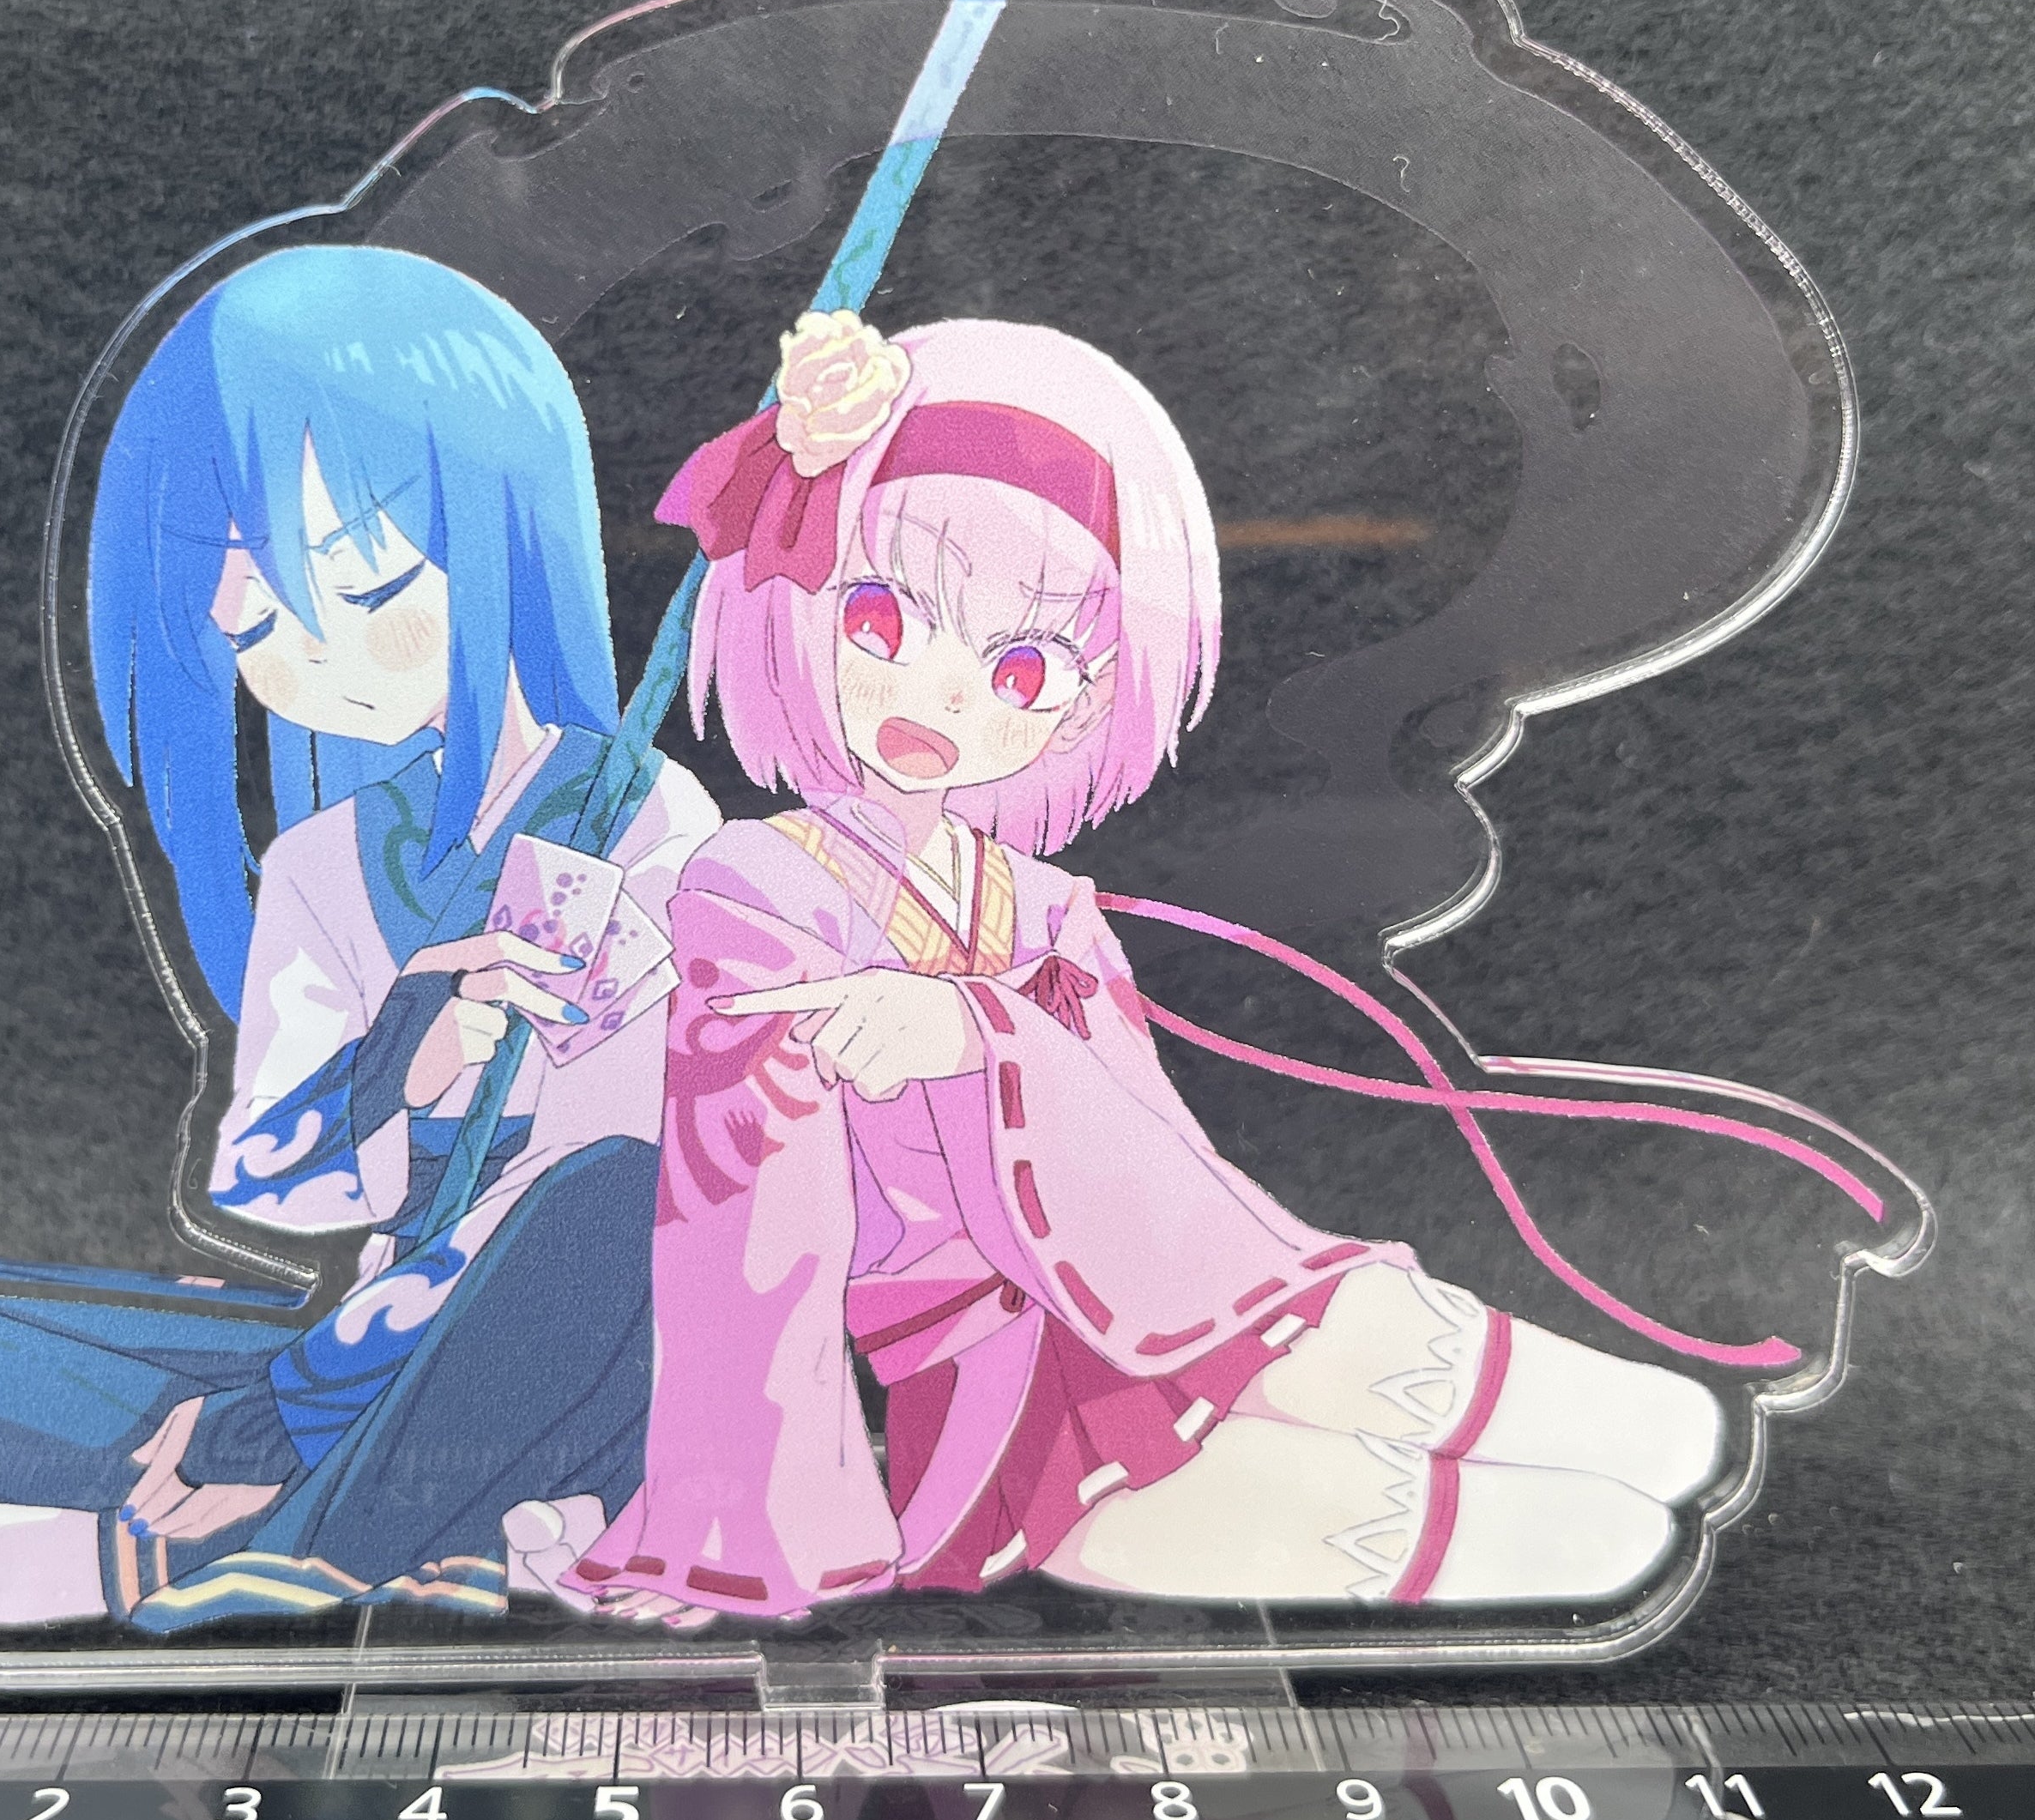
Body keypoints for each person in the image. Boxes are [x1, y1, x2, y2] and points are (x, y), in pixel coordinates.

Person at [562, 311, 1730, 1628]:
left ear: (1086, 696)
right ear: (798, 597)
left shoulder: (1051, 908)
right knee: (1469, 1522)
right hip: (993, 1395)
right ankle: (1517, 1453)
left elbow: (1169, 1186)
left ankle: (1566, 1413)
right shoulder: (753, 887)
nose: (943, 694)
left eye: (1018, 666)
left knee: (1400, 1352)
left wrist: (973, 1036)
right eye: (882, 616)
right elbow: (742, 1222)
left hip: (1184, 1301)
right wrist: (740, 1525)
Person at [0, 245, 718, 1631]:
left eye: (361, 585)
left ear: (506, 535)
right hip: (370, 1351)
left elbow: (616, 1200)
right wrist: (400, 1059)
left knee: (598, 1221)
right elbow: (274, 1180)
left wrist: (285, 1408)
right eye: (254, 620)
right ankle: (394, 1519)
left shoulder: (640, 818)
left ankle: (167, 1559)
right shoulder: (323, 864)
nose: (312, 659)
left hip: (563, 1361)